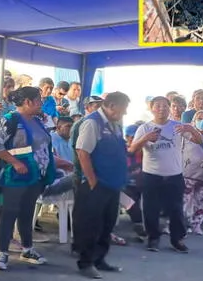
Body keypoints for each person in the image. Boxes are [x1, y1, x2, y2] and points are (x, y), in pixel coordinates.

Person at [0, 87, 56, 271]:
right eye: (38, 100)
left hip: (36, 176)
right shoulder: (10, 120)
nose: (41, 104)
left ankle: (27, 248)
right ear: (27, 102)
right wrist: (15, 162)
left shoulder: (39, 121)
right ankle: (2, 252)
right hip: (16, 175)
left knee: (27, 212)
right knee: (9, 212)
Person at [131, 96, 202, 253]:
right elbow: (132, 149)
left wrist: (191, 129)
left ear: (170, 108)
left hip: (174, 175)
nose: (161, 109)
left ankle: (177, 239)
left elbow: (199, 141)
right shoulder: (144, 128)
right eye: (158, 106)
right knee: (151, 209)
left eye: (165, 106)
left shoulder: (177, 127)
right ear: (151, 108)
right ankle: (153, 238)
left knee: (176, 209)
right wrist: (145, 139)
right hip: (151, 175)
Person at [73, 92, 130, 279]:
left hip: (113, 184)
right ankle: (86, 262)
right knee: (90, 225)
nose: (125, 112)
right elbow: (83, 153)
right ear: (111, 105)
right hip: (96, 185)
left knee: (107, 224)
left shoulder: (114, 124)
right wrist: (92, 182)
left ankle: (99, 259)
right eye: (123, 109)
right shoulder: (92, 123)